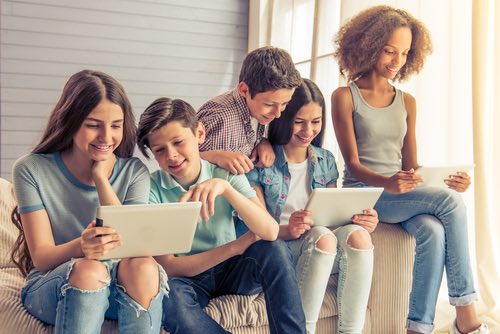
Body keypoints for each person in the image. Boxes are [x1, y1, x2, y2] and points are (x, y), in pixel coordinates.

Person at [331, 5, 489, 334]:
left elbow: (411, 166)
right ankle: (467, 313)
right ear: (368, 45)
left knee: (433, 228)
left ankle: (418, 327)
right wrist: (388, 183)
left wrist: (447, 181)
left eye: (404, 53)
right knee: (450, 204)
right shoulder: (345, 96)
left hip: (400, 192)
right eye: (389, 51)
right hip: (367, 192)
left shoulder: (407, 101)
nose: (396, 61)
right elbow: (354, 166)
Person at [10, 70, 167, 334]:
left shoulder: (134, 172)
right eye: (94, 125)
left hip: (119, 288)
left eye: (116, 125)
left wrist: (101, 180)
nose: (106, 138)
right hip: (55, 284)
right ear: (70, 121)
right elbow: (42, 258)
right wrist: (83, 247)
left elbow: (130, 245)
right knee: (89, 271)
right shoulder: (31, 169)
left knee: (144, 266)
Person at [136, 97, 306, 334]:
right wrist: (235, 247)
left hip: (232, 272)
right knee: (167, 294)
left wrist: (225, 188)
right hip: (188, 279)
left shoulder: (224, 173)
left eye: (178, 142)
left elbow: (270, 231)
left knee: (274, 248)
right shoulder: (151, 190)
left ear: (200, 134)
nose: (172, 155)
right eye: (160, 150)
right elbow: (170, 266)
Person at [246, 79, 378, 334]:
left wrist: (360, 219)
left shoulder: (325, 160)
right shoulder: (261, 160)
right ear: (283, 118)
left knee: (359, 236)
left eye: (315, 121)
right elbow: (258, 229)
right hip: (280, 251)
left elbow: (331, 218)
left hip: (321, 245)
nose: (308, 130)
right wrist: (288, 229)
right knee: (322, 237)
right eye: (299, 121)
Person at [197, 46, 303, 175]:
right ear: (244, 90)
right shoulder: (220, 118)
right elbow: (181, 164)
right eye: (269, 104)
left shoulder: (256, 109)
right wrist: (214, 156)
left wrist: (262, 141)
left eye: (284, 103)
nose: (278, 113)